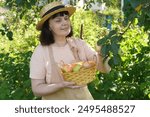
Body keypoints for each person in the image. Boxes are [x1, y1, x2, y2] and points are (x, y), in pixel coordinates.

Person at [29, 1, 111, 100]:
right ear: (49, 26)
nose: (64, 22)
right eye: (58, 20)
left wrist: (101, 53)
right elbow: (37, 89)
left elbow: (105, 69)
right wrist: (61, 85)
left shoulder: (79, 44)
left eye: (66, 18)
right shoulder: (41, 51)